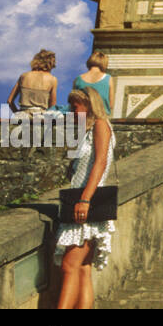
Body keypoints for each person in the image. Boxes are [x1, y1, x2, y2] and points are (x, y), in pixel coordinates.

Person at [54, 88, 116, 309]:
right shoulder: (88, 131)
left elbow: (100, 163)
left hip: (87, 201)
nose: (72, 112)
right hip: (85, 201)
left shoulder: (100, 125)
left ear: (89, 105)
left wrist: (85, 199)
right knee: (82, 268)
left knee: (69, 266)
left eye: (75, 107)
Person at [6, 49, 59, 115]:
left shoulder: (24, 76)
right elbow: (52, 107)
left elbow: (9, 101)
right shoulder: (52, 79)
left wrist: (17, 114)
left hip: (23, 115)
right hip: (41, 117)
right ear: (51, 64)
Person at [74, 50, 114, 116]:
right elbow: (111, 105)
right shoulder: (108, 78)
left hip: (82, 118)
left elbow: (74, 103)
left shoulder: (78, 79)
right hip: (100, 117)